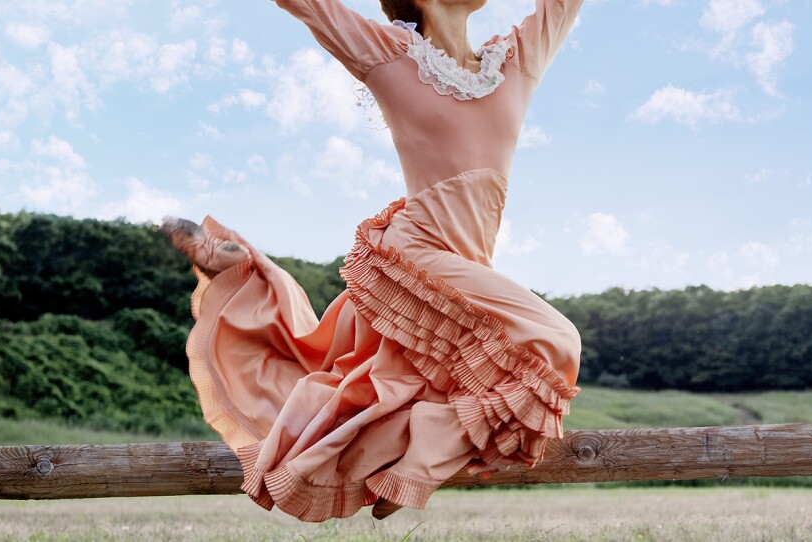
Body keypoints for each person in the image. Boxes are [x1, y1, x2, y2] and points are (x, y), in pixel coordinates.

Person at [161, 0, 584, 523]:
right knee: (557, 342)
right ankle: (418, 467)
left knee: (386, 387)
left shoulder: (515, 62)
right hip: (416, 255)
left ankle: (393, 462)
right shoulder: (391, 56)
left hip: (466, 273)